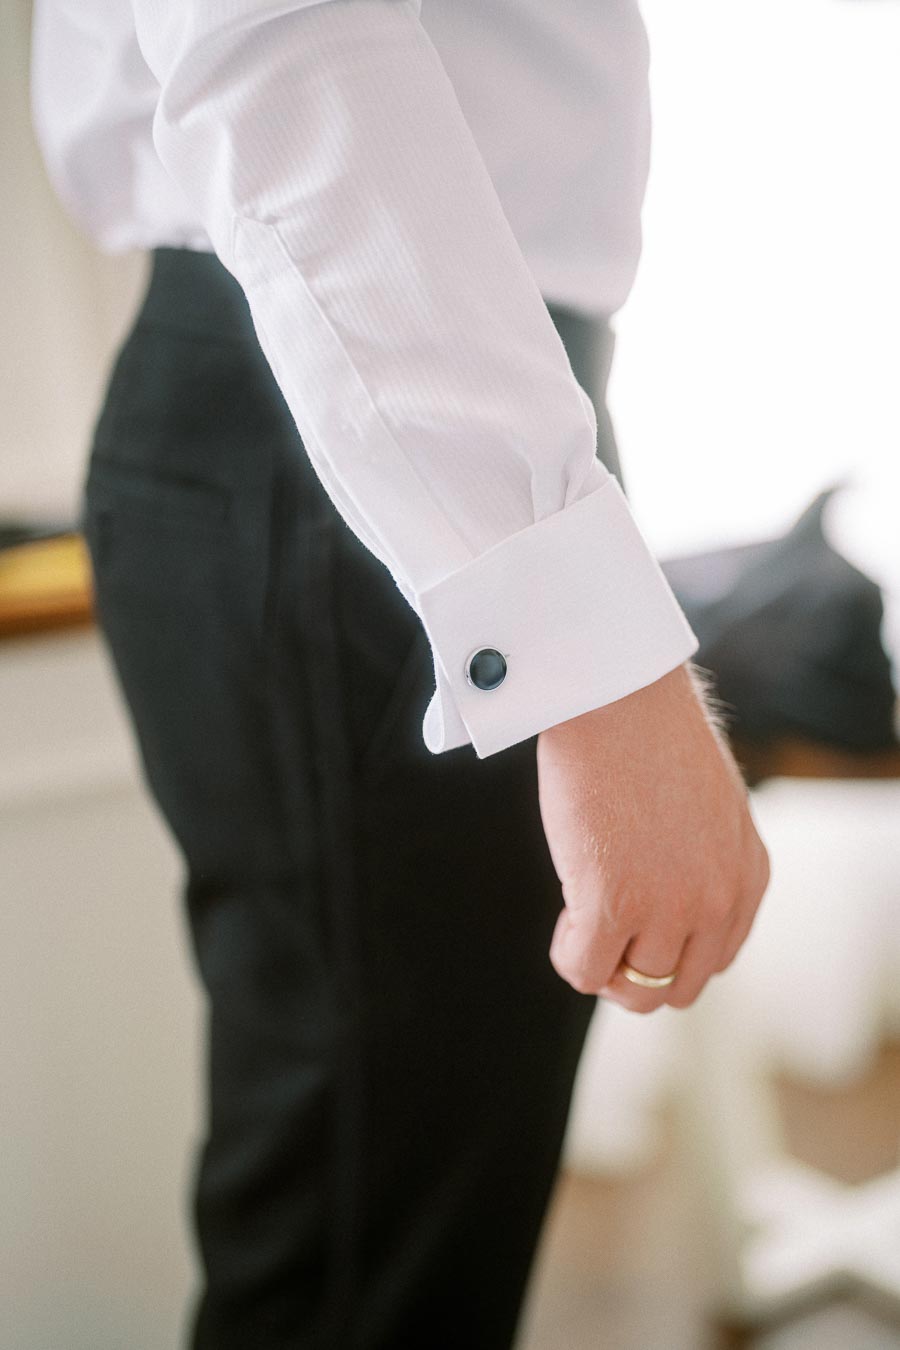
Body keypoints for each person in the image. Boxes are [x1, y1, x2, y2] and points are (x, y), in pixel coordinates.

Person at [30, 2, 771, 1346]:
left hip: (374, 428)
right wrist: (592, 670)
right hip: (356, 439)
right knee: (364, 1274)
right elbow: (286, 41)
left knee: (394, 1239)